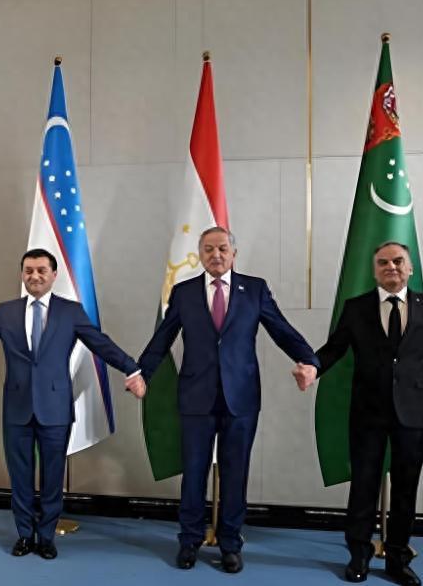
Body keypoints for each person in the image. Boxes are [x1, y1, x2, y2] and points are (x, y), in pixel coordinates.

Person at [0, 248, 139, 560]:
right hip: (17, 408)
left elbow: (100, 344)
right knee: (20, 477)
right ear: (22, 274)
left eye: (41, 270)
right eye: (28, 271)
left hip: (55, 408)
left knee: (52, 477)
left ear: (54, 275)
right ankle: (25, 534)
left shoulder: (71, 311)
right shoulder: (6, 312)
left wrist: (132, 369)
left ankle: (47, 537)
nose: (34, 276)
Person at [130, 226, 318, 574]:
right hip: (195, 398)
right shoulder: (184, 292)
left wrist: (309, 360)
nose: (215, 255)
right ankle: (189, 541)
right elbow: (163, 338)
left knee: (236, 473)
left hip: (241, 398)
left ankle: (230, 543)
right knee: (194, 473)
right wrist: (141, 372)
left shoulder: (255, 289)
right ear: (200, 254)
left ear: (234, 254)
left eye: (222, 249)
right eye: (208, 249)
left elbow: (281, 329)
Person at [299, 241, 423, 586]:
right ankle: (359, 554)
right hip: (368, 412)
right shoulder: (356, 308)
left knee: (406, 490)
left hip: (414, 413)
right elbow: (335, 348)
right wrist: (312, 368)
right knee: (364, 486)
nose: (391, 267)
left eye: (397, 261)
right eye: (383, 263)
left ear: (410, 267)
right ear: (374, 270)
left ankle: (397, 559)